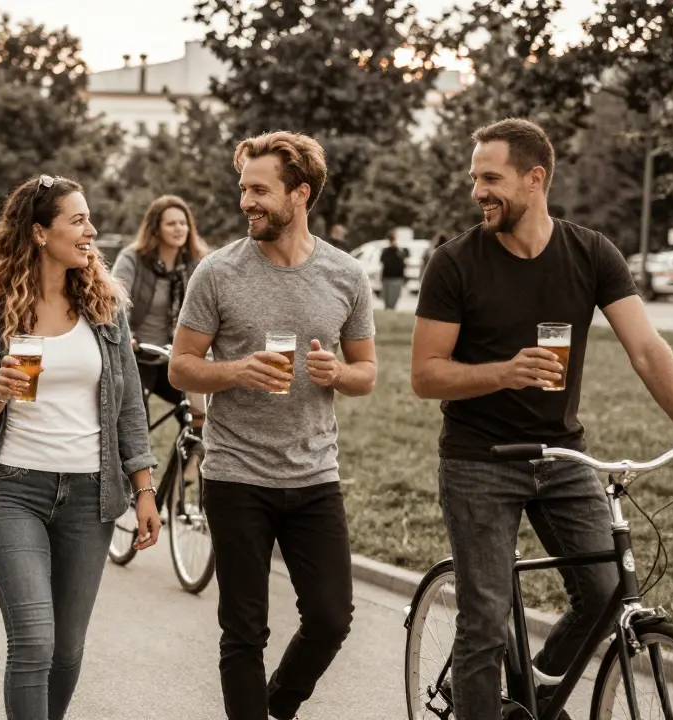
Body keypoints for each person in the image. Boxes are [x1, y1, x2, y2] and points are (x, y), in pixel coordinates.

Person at [410, 118, 673, 720]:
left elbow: (645, 348)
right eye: (474, 178)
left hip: (560, 454)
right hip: (478, 460)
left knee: (606, 588)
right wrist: (503, 372)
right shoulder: (455, 263)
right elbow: (425, 375)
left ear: (535, 178)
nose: (477, 190)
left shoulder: (591, 253)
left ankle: (536, 685)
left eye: (491, 178)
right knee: (484, 618)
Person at [168, 131, 378, 720]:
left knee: (332, 618)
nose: (246, 202)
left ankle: (274, 707)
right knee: (244, 629)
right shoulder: (217, 273)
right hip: (236, 471)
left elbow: (367, 374)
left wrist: (338, 372)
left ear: (301, 193)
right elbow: (183, 366)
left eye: (260, 190)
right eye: (243, 188)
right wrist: (235, 371)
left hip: (313, 473)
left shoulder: (346, 275)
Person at [0, 174, 161, 720]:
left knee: (67, 650)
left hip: (90, 497)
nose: (91, 230)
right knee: (35, 643)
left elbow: (130, 409)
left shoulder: (105, 308)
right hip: (12, 492)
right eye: (78, 220)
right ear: (40, 233)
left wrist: (144, 488)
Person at [110, 194, 208, 431]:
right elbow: (114, 300)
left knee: (202, 416)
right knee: (135, 421)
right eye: (171, 223)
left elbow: (210, 306)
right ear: (156, 228)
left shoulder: (196, 263)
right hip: (138, 356)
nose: (179, 228)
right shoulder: (132, 259)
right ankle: (136, 467)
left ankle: (189, 464)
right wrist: (126, 335)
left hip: (175, 358)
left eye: (183, 223)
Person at [379, 230, 408, 311]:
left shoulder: (399, 251)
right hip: (389, 277)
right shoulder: (387, 251)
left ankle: (391, 310)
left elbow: (402, 264)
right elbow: (382, 260)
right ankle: (388, 310)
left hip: (396, 277)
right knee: (388, 299)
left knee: (393, 298)